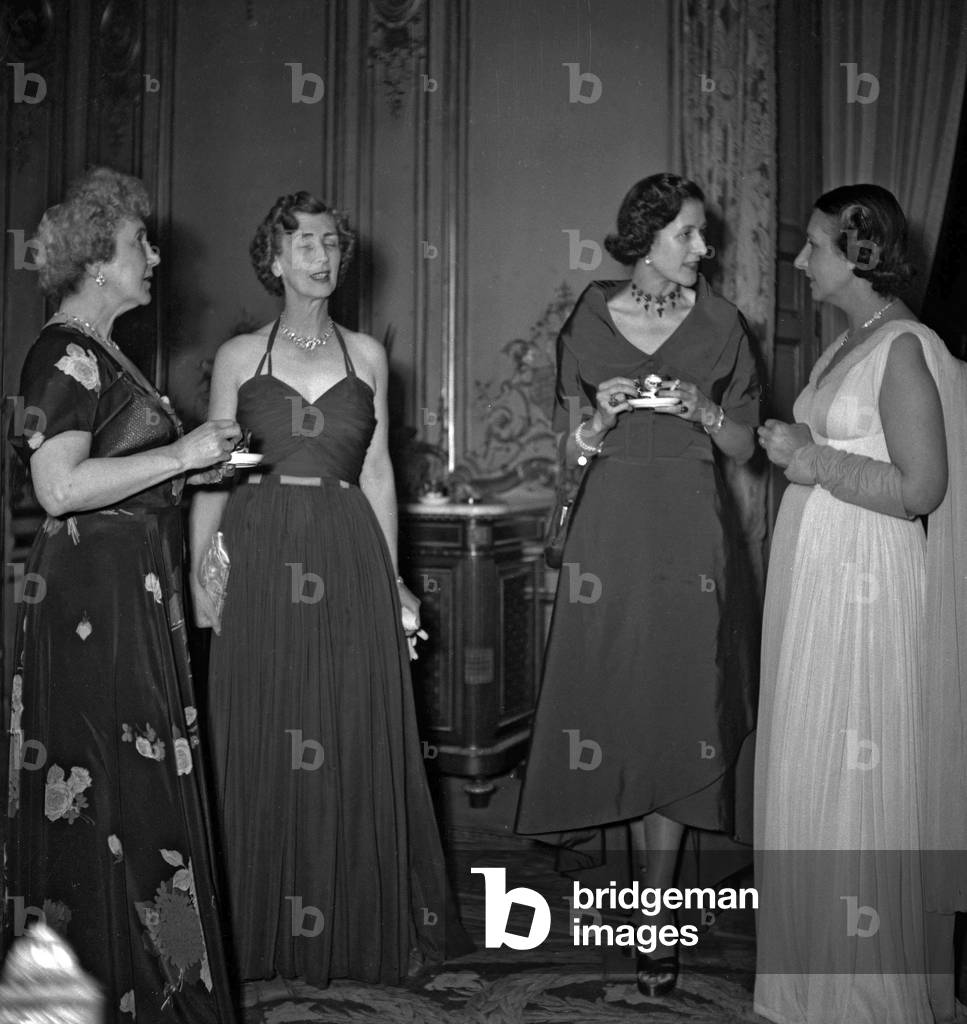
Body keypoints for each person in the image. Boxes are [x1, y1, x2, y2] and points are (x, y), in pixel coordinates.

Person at [189, 191, 471, 987]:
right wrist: (200, 565)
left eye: (331, 245)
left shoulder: (368, 358)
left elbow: (378, 476)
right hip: (260, 545)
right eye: (305, 244)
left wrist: (393, 583)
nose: (322, 257)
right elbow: (215, 469)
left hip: (346, 555)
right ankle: (258, 929)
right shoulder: (241, 358)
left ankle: (351, 926)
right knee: (264, 722)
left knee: (344, 725)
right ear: (274, 260)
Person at [3, 167, 241, 1021]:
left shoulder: (103, 355)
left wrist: (194, 467)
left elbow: (115, 476)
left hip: (127, 591)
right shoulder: (62, 352)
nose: (154, 254)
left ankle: (144, 992)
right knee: (106, 792)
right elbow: (60, 488)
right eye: (140, 241)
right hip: (88, 605)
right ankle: (96, 999)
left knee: (129, 791)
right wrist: (182, 456)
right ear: (100, 260)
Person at [515, 172, 760, 996]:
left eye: (703, 234)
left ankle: (655, 910)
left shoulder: (723, 323)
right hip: (609, 534)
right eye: (690, 233)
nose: (704, 246)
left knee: (677, 710)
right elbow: (569, 438)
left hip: (691, 534)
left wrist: (699, 409)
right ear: (648, 235)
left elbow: (742, 445)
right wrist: (599, 418)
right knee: (612, 697)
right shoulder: (588, 313)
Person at [755, 184, 967, 1024]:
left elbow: (920, 488)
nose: (802, 260)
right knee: (814, 764)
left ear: (859, 254)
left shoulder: (905, 348)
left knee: (855, 777)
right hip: (818, 584)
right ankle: (813, 986)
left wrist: (810, 460)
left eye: (813, 246)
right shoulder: (847, 342)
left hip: (867, 591)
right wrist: (799, 455)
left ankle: (864, 998)